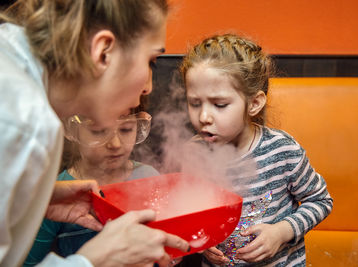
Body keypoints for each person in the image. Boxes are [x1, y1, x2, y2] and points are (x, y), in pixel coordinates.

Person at [0, 1, 189, 266]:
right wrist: (93, 260)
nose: (147, 87)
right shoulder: (25, 122)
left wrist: (34, 197)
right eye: (151, 62)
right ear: (103, 52)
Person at [179, 34, 333, 266]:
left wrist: (281, 232)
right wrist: (201, 241)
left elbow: (321, 201)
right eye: (195, 103)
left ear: (253, 103)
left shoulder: (282, 150)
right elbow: (191, 213)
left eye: (219, 105)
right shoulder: (193, 153)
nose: (203, 117)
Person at [23, 104, 161, 266]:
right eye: (98, 131)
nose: (115, 143)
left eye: (126, 129)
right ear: (70, 129)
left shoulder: (149, 177)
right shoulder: (56, 198)